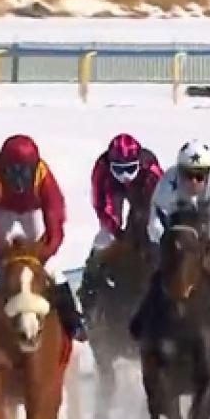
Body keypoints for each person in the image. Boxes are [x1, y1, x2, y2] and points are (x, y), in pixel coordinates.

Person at [0, 135, 87, 344]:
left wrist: (43, 254)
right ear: (3, 168)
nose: (18, 179)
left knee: (53, 268)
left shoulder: (45, 178)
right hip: (2, 211)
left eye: (24, 173)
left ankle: (73, 323)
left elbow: (55, 223)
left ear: (34, 169)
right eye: (12, 172)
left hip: (33, 212)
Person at [142, 140, 210, 334]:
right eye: (187, 175)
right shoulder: (168, 183)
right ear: (179, 171)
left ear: (209, 173)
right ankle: (145, 315)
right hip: (179, 234)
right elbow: (154, 222)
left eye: (199, 175)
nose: (193, 181)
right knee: (161, 270)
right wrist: (166, 240)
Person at [77, 133, 165, 311]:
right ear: (110, 165)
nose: (125, 175)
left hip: (145, 192)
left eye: (130, 169)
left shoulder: (150, 168)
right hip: (112, 190)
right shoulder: (102, 168)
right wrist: (117, 231)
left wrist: (145, 226)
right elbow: (102, 204)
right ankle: (90, 289)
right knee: (104, 239)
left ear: (138, 163)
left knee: (155, 230)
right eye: (119, 169)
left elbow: (160, 201)